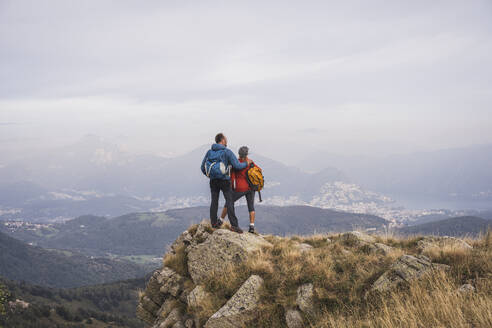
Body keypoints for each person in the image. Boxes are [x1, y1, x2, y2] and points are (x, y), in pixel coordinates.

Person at [201, 133, 251, 233]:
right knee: (229, 201)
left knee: (214, 201)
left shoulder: (209, 152)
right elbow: (237, 166)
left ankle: (214, 224)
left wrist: (210, 175)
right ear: (222, 140)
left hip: (213, 180)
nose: (227, 141)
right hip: (224, 180)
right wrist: (246, 163)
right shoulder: (226, 152)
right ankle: (234, 226)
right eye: (226, 139)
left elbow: (202, 167)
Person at [219, 146, 259, 233]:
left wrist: (231, 189)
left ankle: (221, 220)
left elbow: (232, 178)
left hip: (240, 188)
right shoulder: (251, 162)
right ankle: (252, 227)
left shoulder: (236, 163)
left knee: (229, 202)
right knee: (251, 207)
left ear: (239, 154)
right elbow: (258, 171)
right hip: (251, 188)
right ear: (247, 154)